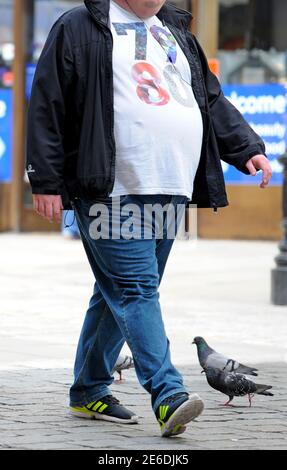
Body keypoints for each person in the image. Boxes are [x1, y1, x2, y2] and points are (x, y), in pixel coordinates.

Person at [26, 0, 272, 438]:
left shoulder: (174, 30)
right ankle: (168, 395)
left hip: (168, 186)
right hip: (110, 187)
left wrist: (246, 147)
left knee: (118, 292)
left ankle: (87, 391)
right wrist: (45, 179)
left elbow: (208, 99)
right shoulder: (80, 27)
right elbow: (49, 101)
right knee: (135, 289)